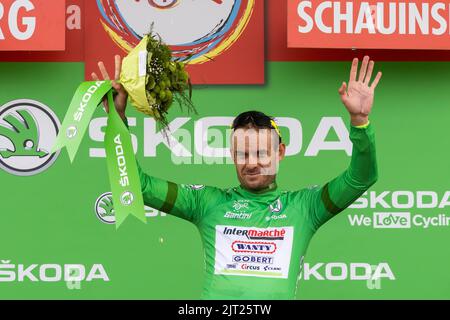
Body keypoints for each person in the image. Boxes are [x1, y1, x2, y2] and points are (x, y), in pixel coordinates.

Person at [92, 55, 382, 300]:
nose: (252, 163)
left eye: (261, 153)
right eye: (243, 154)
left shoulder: (306, 208)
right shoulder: (205, 202)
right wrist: (117, 118)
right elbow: (137, 187)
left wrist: (359, 122)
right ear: (232, 155)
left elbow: (361, 177)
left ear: (280, 152)